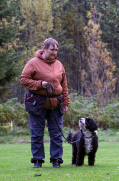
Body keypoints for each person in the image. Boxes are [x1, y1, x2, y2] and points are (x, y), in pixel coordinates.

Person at [20, 38, 70, 168]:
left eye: (56, 50)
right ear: (44, 49)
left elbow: (64, 85)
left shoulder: (59, 64)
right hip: (37, 104)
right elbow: (24, 80)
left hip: (55, 104)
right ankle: (37, 160)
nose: (55, 52)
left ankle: (56, 160)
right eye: (52, 50)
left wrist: (65, 102)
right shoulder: (32, 63)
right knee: (37, 134)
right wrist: (40, 84)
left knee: (57, 135)